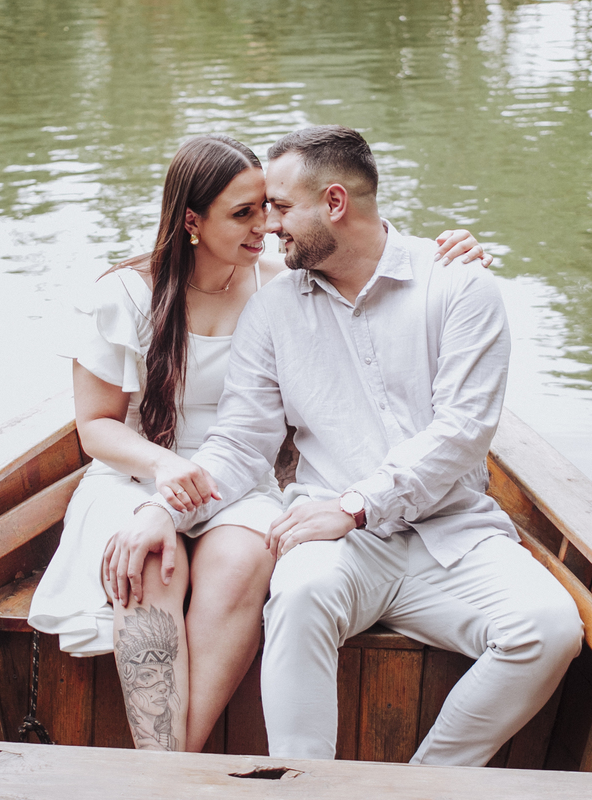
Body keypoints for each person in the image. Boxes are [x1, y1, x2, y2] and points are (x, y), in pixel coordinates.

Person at [107, 125, 583, 766]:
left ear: (334, 203)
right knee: (299, 595)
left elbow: (462, 431)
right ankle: (306, 787)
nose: (269, 226)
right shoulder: (273, 309)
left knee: (550, 629)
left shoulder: (458, 286)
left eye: (280, 207)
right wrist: (164, 508)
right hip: (336, 545)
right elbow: (242, 441)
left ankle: (422, 786)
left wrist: (357, 505)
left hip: (454, 534)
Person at [28, 133, 491, 753]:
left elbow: (365, 257)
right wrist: (165, 469)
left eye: (269, 207)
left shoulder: (281, 284)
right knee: (153, 564)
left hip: (238, 475)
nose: (267, 226)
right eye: (244, 213)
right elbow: (95, 428)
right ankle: (166, 772)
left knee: (244, 561)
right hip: (138, 470)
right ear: (192, 222)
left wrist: (450, 251)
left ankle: (167, 775)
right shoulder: (124, 294)